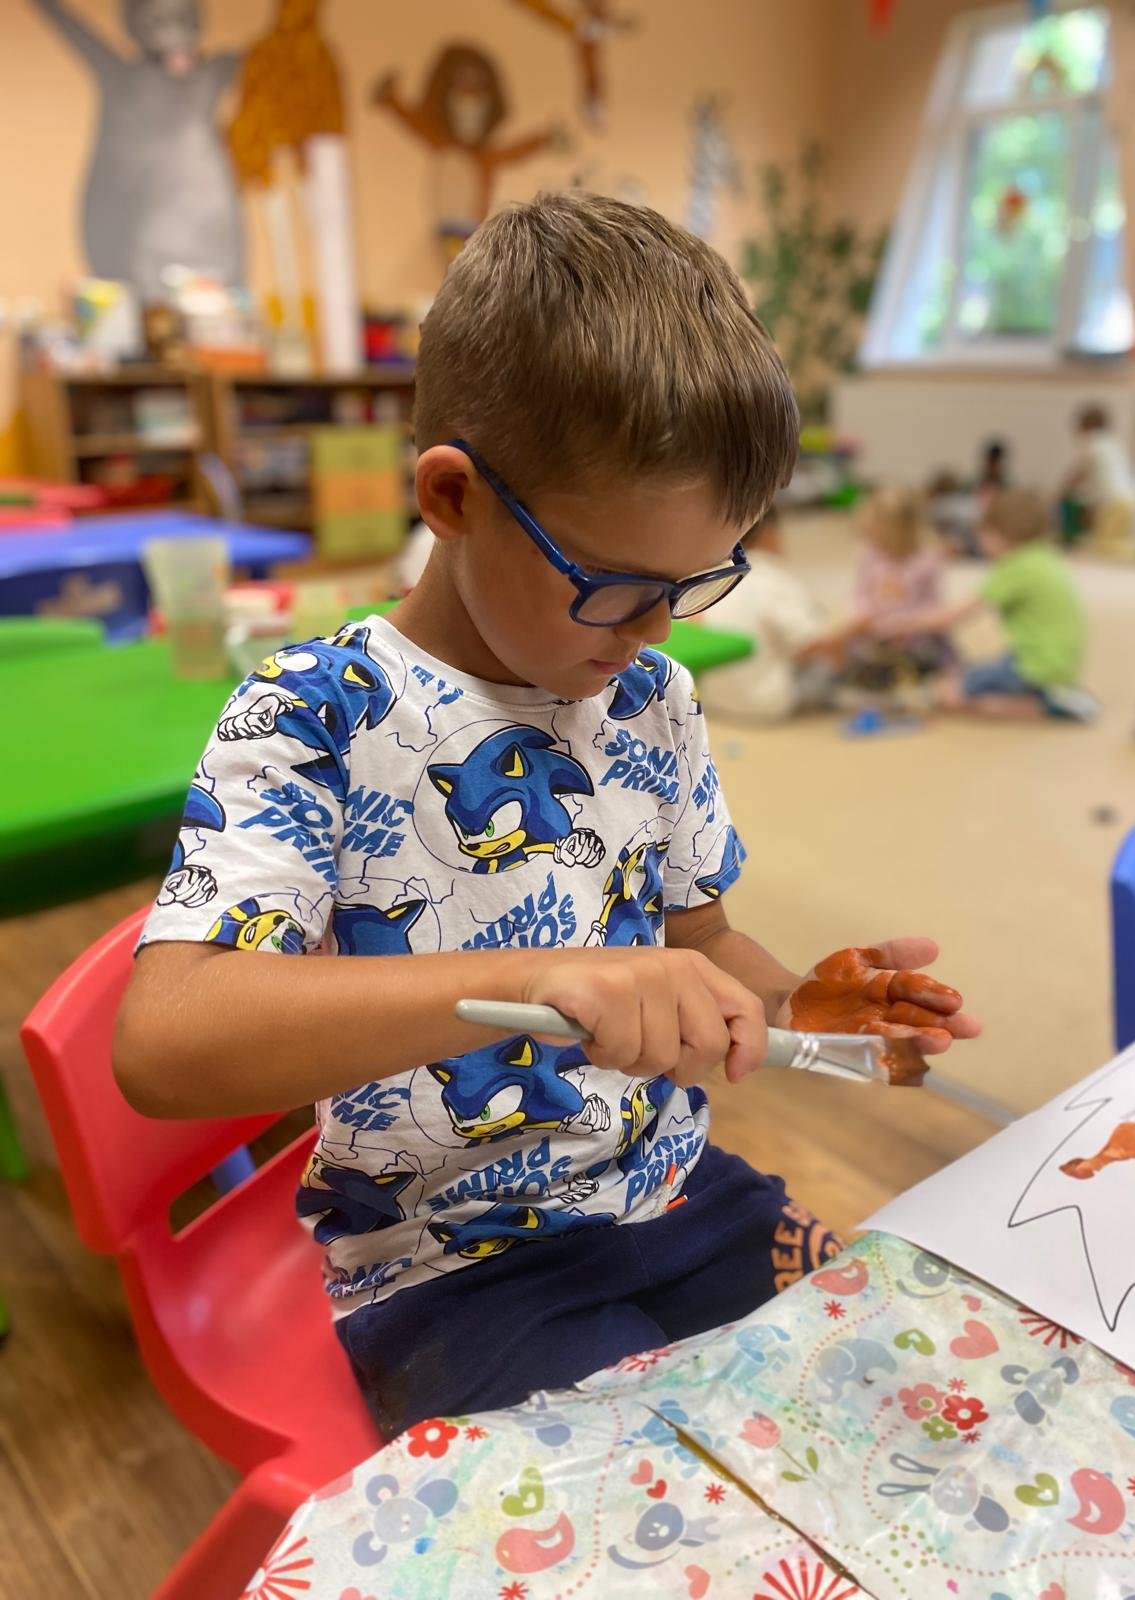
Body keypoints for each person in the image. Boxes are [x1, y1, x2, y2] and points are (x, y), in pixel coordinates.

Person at [114, 192, 979, 1440]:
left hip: (679, 1191)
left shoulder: (653, 699)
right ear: (453, 497)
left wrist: (796, 1003)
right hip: (453, 1267)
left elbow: (696, 937)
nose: (656, 630)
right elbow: (166, 1042)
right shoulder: (315, 714)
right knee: (666, 1501)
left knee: (893, 1400)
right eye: (617, 585)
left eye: (695, 582)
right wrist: (539, 975)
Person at [881, 489, 1095, 722]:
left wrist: (899, 624)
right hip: (1060, 665)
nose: (981, 544)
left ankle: (1049, 705)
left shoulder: (1016, 567)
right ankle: (1052, 696)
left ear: (999, 534)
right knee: (977, 672)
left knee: (949, 693)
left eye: (983, 536)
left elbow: (952, 617)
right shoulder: (1044, 556)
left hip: (1033, 667)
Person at [698, 507, 834, 722]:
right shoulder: (772, 576)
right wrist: (857, 630)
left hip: (715, 700)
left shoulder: (716, 574)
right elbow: (808, 644)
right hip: (763, 703)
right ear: (769, 532)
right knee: (832, 658)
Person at [835, 487, 954, 694]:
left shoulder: (926, 561)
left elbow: (934, 606)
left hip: (913, 634)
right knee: (848, 650)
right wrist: (865, 617)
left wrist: (907, 625)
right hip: (875, 631)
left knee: (938, 654)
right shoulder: (870, 555)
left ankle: (912, 675)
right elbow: (860, 594)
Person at [1061, 403, 1135, 561]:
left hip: (1113, 502)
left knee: (1105, 546)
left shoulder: (1092, 442)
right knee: (1118, 542)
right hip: (1133, 499)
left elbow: (1079, 474)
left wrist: (1061, 493)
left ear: (1087, 426)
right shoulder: (1113, 443)